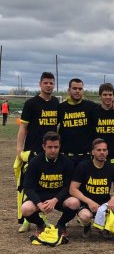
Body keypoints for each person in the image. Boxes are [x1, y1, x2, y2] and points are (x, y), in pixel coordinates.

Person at [16, 71, 59, 232]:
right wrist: (19, 150)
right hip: (33, 151)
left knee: (46, 184)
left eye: (51, 83)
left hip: (50, 150)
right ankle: (27, 218)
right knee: (27, 185)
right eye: (46, 83)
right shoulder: (31, 103)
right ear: (40, 84)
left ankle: (41, 217)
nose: (48, 85)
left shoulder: (56, 103)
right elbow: (23, 127)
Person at [21, 131, 78, 237]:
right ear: (43, 146)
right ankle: (40, 224)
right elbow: (28, 187)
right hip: (40, 196)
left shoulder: (67, 162)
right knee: (25, 209)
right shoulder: (34, 162)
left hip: (59, 196)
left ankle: (61, 225)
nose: (53, 150)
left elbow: (68, 186)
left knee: (75, 203)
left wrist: (55, 200)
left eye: (56, 147)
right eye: (50, 147)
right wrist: (38, 204)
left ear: (60, 146)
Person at [69, 138, 114, 238]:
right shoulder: (83, 166)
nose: (102, 153)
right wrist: (88, 201)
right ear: (92, 152)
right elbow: (73, 189)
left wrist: (113, 199)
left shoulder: (111, 167)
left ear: (107, 152)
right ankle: (87, 226)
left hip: (104, 203)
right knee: (85, 216)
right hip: (87, 204)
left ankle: (105, 225)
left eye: (104, 150)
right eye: (99, 150)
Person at [58, 78, 97, 168]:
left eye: (80, 89)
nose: (77, 91)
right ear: (69, 90)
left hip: (85, 157)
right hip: (66, 156)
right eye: (74, 88)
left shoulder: (90, 106)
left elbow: (105, 107)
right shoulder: (61, 107)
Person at [91, 83, 114, 176]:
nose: (108, 97)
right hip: (98, 156)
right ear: (100, 96)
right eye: (105, 94)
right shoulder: (94, 111)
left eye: (110, 95)